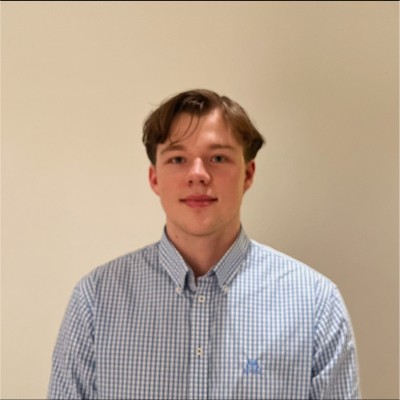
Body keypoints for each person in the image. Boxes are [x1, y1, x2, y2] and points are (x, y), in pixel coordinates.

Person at [48, 89, 360, 399]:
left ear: (248, 174)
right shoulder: (96, 300)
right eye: (178, 159)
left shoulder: (315, 303)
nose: (198, 174)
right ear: (154, 178)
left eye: (218, 158)